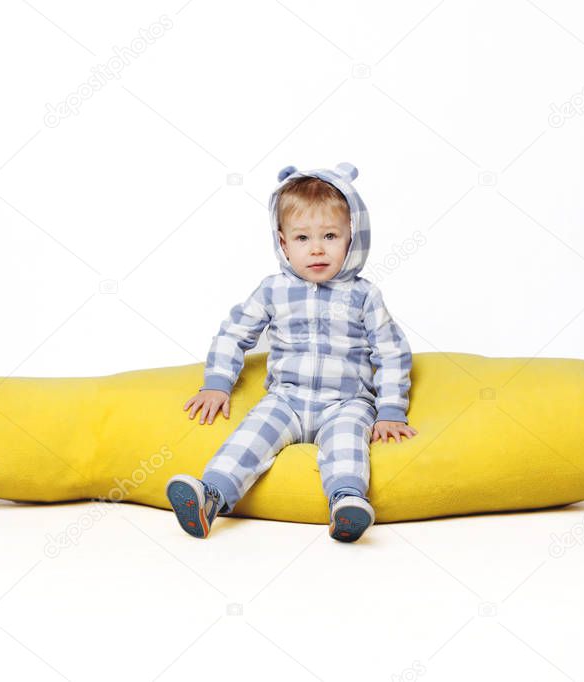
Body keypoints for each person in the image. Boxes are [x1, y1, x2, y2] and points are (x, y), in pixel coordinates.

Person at [166, 162, 417, 542]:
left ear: (352, 237)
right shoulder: (273, 290)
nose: (316, 248)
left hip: (346, 402)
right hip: (286, 398)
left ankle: (346, 503)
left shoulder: (364, 295)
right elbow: (234, 333)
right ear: (283, 243)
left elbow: (391, 352)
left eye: (330, 235)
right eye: (302, 238)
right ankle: (210, 496)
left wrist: (391, 410)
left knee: (348, 441)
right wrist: (217, 382)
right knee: (251, 434)